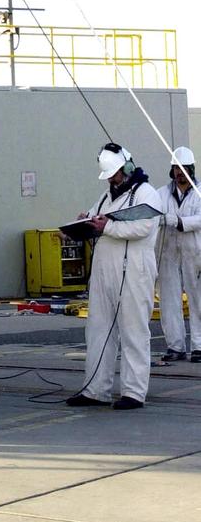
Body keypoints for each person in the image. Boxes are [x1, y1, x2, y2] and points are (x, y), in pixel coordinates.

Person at [66, 142, 162, 410]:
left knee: (133, 330)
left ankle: (133, 392)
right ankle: (95, 389)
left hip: (134, 270)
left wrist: (107, 226)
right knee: (98, 329)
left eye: (116, 173)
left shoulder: (147, 194)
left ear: (127, 167)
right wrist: (82, 225)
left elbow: (143, 227)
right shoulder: (106, 196)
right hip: (104, 269)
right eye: (109, 175)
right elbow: (98, 222)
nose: (112, 178)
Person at [156, 146, 201, 364]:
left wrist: (180, 221)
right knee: (169, 300)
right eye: (175, 168)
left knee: (198, 299)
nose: (179, 173)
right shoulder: (162, 193)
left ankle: (199, 345)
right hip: (168, 253)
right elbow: (152, 212)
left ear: (191, 169)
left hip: (195, 253)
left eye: (183, 168)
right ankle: (175, 346)